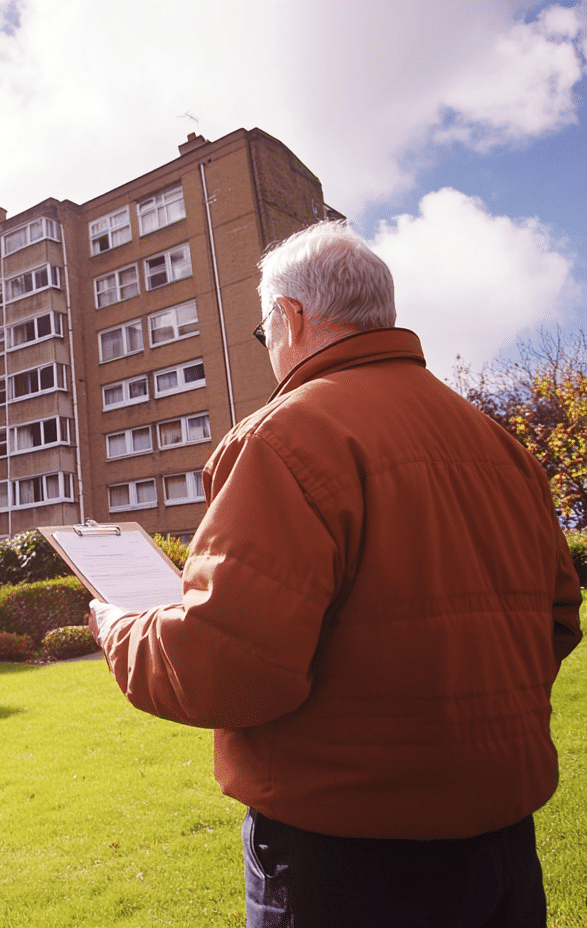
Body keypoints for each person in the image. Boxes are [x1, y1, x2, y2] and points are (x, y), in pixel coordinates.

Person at [88, 221, 582, 928]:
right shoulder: (500, 447)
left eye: (264, 333)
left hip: (348, 862)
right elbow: (559, 618)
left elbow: (224, 664)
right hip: (504, 847)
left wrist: (119, 628)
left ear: (289, 318)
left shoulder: (284, 436)